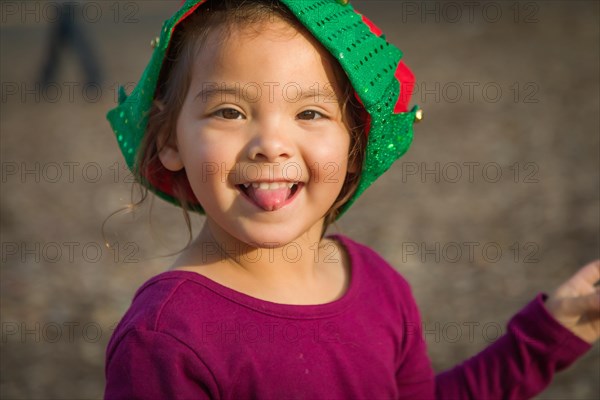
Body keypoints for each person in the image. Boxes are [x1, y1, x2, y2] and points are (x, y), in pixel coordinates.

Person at [104, 0, 599, 398]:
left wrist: (547, 336)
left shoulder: (381, 287)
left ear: (354, 145)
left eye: (311, 113)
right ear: (169, 139)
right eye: (230, 111)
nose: (270, 143)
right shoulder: (165, 339)